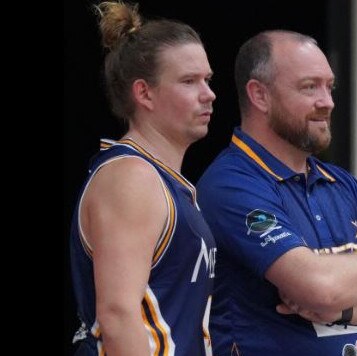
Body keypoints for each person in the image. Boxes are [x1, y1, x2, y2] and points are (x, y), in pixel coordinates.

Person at [196, 30, 357, 355]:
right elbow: (320, 289)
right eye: (310, 87)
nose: (327, 102)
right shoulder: (232, 183)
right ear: (260, 95)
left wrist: (343, 312)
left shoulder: (343, 184)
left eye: (329, 86)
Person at [69, 2, 217, 355]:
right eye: (189, 81)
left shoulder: (166, 181)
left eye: (207, 80)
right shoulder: (131, 178)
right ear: (144, 93)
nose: (208, 93)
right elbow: (119, 316)